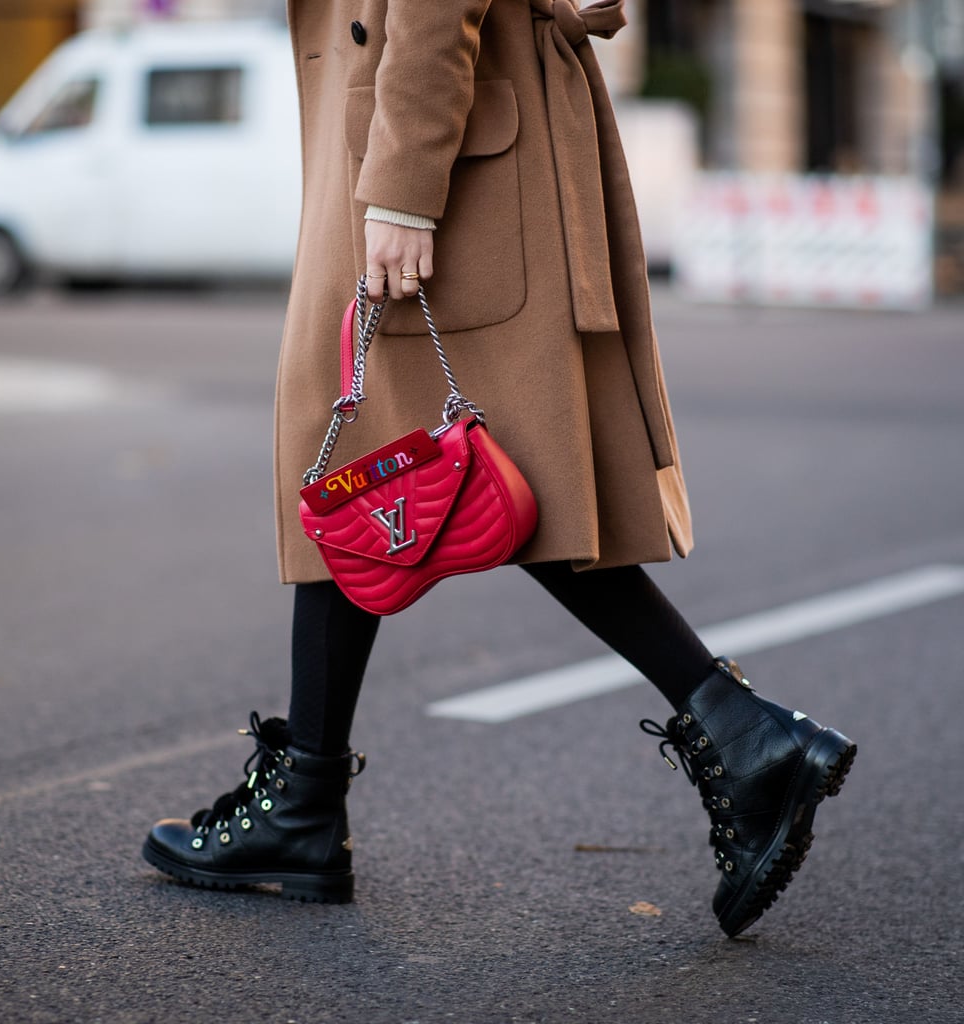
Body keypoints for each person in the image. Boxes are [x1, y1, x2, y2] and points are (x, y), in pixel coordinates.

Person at [141, 0, 856, 938]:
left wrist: (403, 187)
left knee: (451, 472)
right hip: (443, 132)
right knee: (402, 476)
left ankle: (742, 735)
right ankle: (306, 802)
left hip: (441, 149)